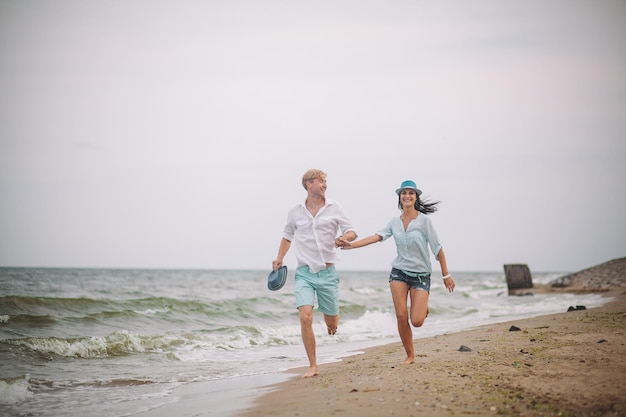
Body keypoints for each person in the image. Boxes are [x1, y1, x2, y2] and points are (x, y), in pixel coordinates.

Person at [337, 180, 455, 365]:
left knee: (416, 321)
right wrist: (351, 245)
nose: (407, 196)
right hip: (399, 273)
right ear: (400, 197)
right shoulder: (394, 222)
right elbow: (376, 237)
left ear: (416, 197)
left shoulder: (425, 222)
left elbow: (437, 249)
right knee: (401, 316)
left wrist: (446, 275)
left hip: (420, 276)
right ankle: (410, 355)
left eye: (411, 193)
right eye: (404, 193)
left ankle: (422, 307)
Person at [272, 169, 357, 378]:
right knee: (305, 317)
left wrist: (344, 238)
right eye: (321, 181)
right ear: (309, 184)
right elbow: (287, 236)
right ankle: (313, 365)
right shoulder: (295, 211)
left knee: (331, 322)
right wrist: (280, 257)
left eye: (326, 181)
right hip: (304, 273)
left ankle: (333, 320)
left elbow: (352, 231)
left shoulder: (334, 207)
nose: (325, 185)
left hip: (328, 272)